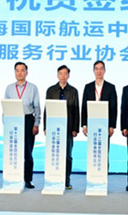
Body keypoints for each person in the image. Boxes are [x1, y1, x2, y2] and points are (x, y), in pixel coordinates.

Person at [5, 61, 41, 189]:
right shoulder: (9, 88)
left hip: (28, 120)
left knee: (28, 152)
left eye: (22, 70)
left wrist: (36, 124)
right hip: (13, 120)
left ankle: (28, 179)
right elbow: (6, 106)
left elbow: (37, 107)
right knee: (14, 151)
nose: (20, 73)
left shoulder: (33, 88)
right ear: (14, 72)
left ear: (27, 72)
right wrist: (6, 122)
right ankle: (14, 177)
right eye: (17, 70)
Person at [44, 65, 80, 189]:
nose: (63, 76)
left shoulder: (73, 91)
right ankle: (53, 178)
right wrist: (46, 126)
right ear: (57, 75)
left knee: (67, 156)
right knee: (54, 154)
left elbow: (76, 110)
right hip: (53, 128)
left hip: (68, 128)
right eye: (61, 73)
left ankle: (66, 180)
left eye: (65, 73)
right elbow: (47, 109)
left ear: (68, 75)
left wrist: (75, 128)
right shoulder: (51, 90)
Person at [81, 60, 118, 139]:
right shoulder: (88, 87)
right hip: (91, 122)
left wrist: (111, 125)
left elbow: (113, 107)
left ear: (104, 70)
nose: (99, 71)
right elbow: (84, 107)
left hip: (105, 123)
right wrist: (84, 125)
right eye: (97, 69)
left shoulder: (110, 87)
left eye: (101, 68)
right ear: (93, 71)